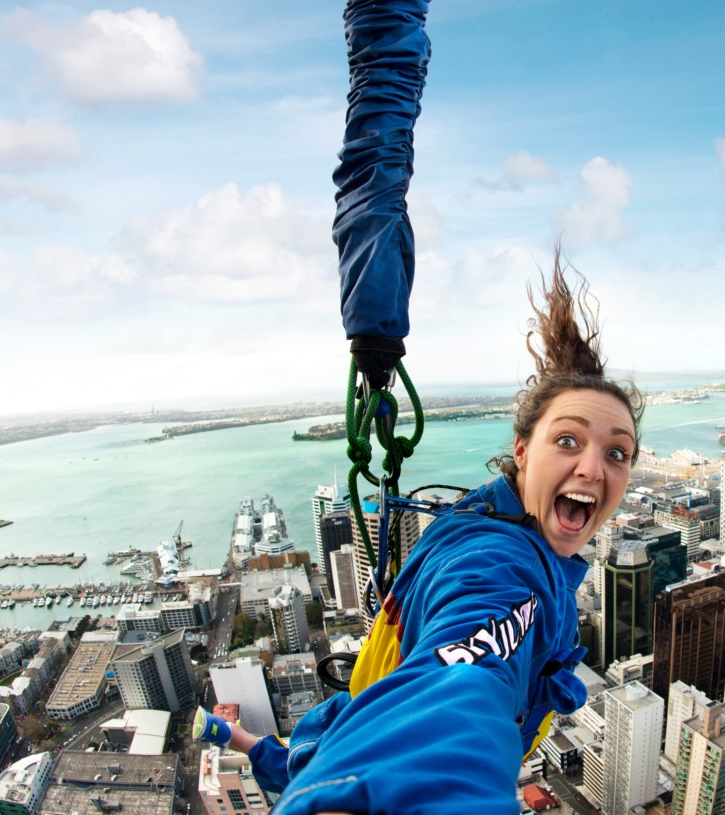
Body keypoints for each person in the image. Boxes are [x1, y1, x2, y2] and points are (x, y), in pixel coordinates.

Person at [193, 252, 643, 813]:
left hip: (337, 737)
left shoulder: (490, 518)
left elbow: (346, 736)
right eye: (569, 441)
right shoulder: (504, 571)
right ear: (523, 453)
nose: (594, 469)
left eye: (617, 451)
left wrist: (242, 743)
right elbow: (457, 694)